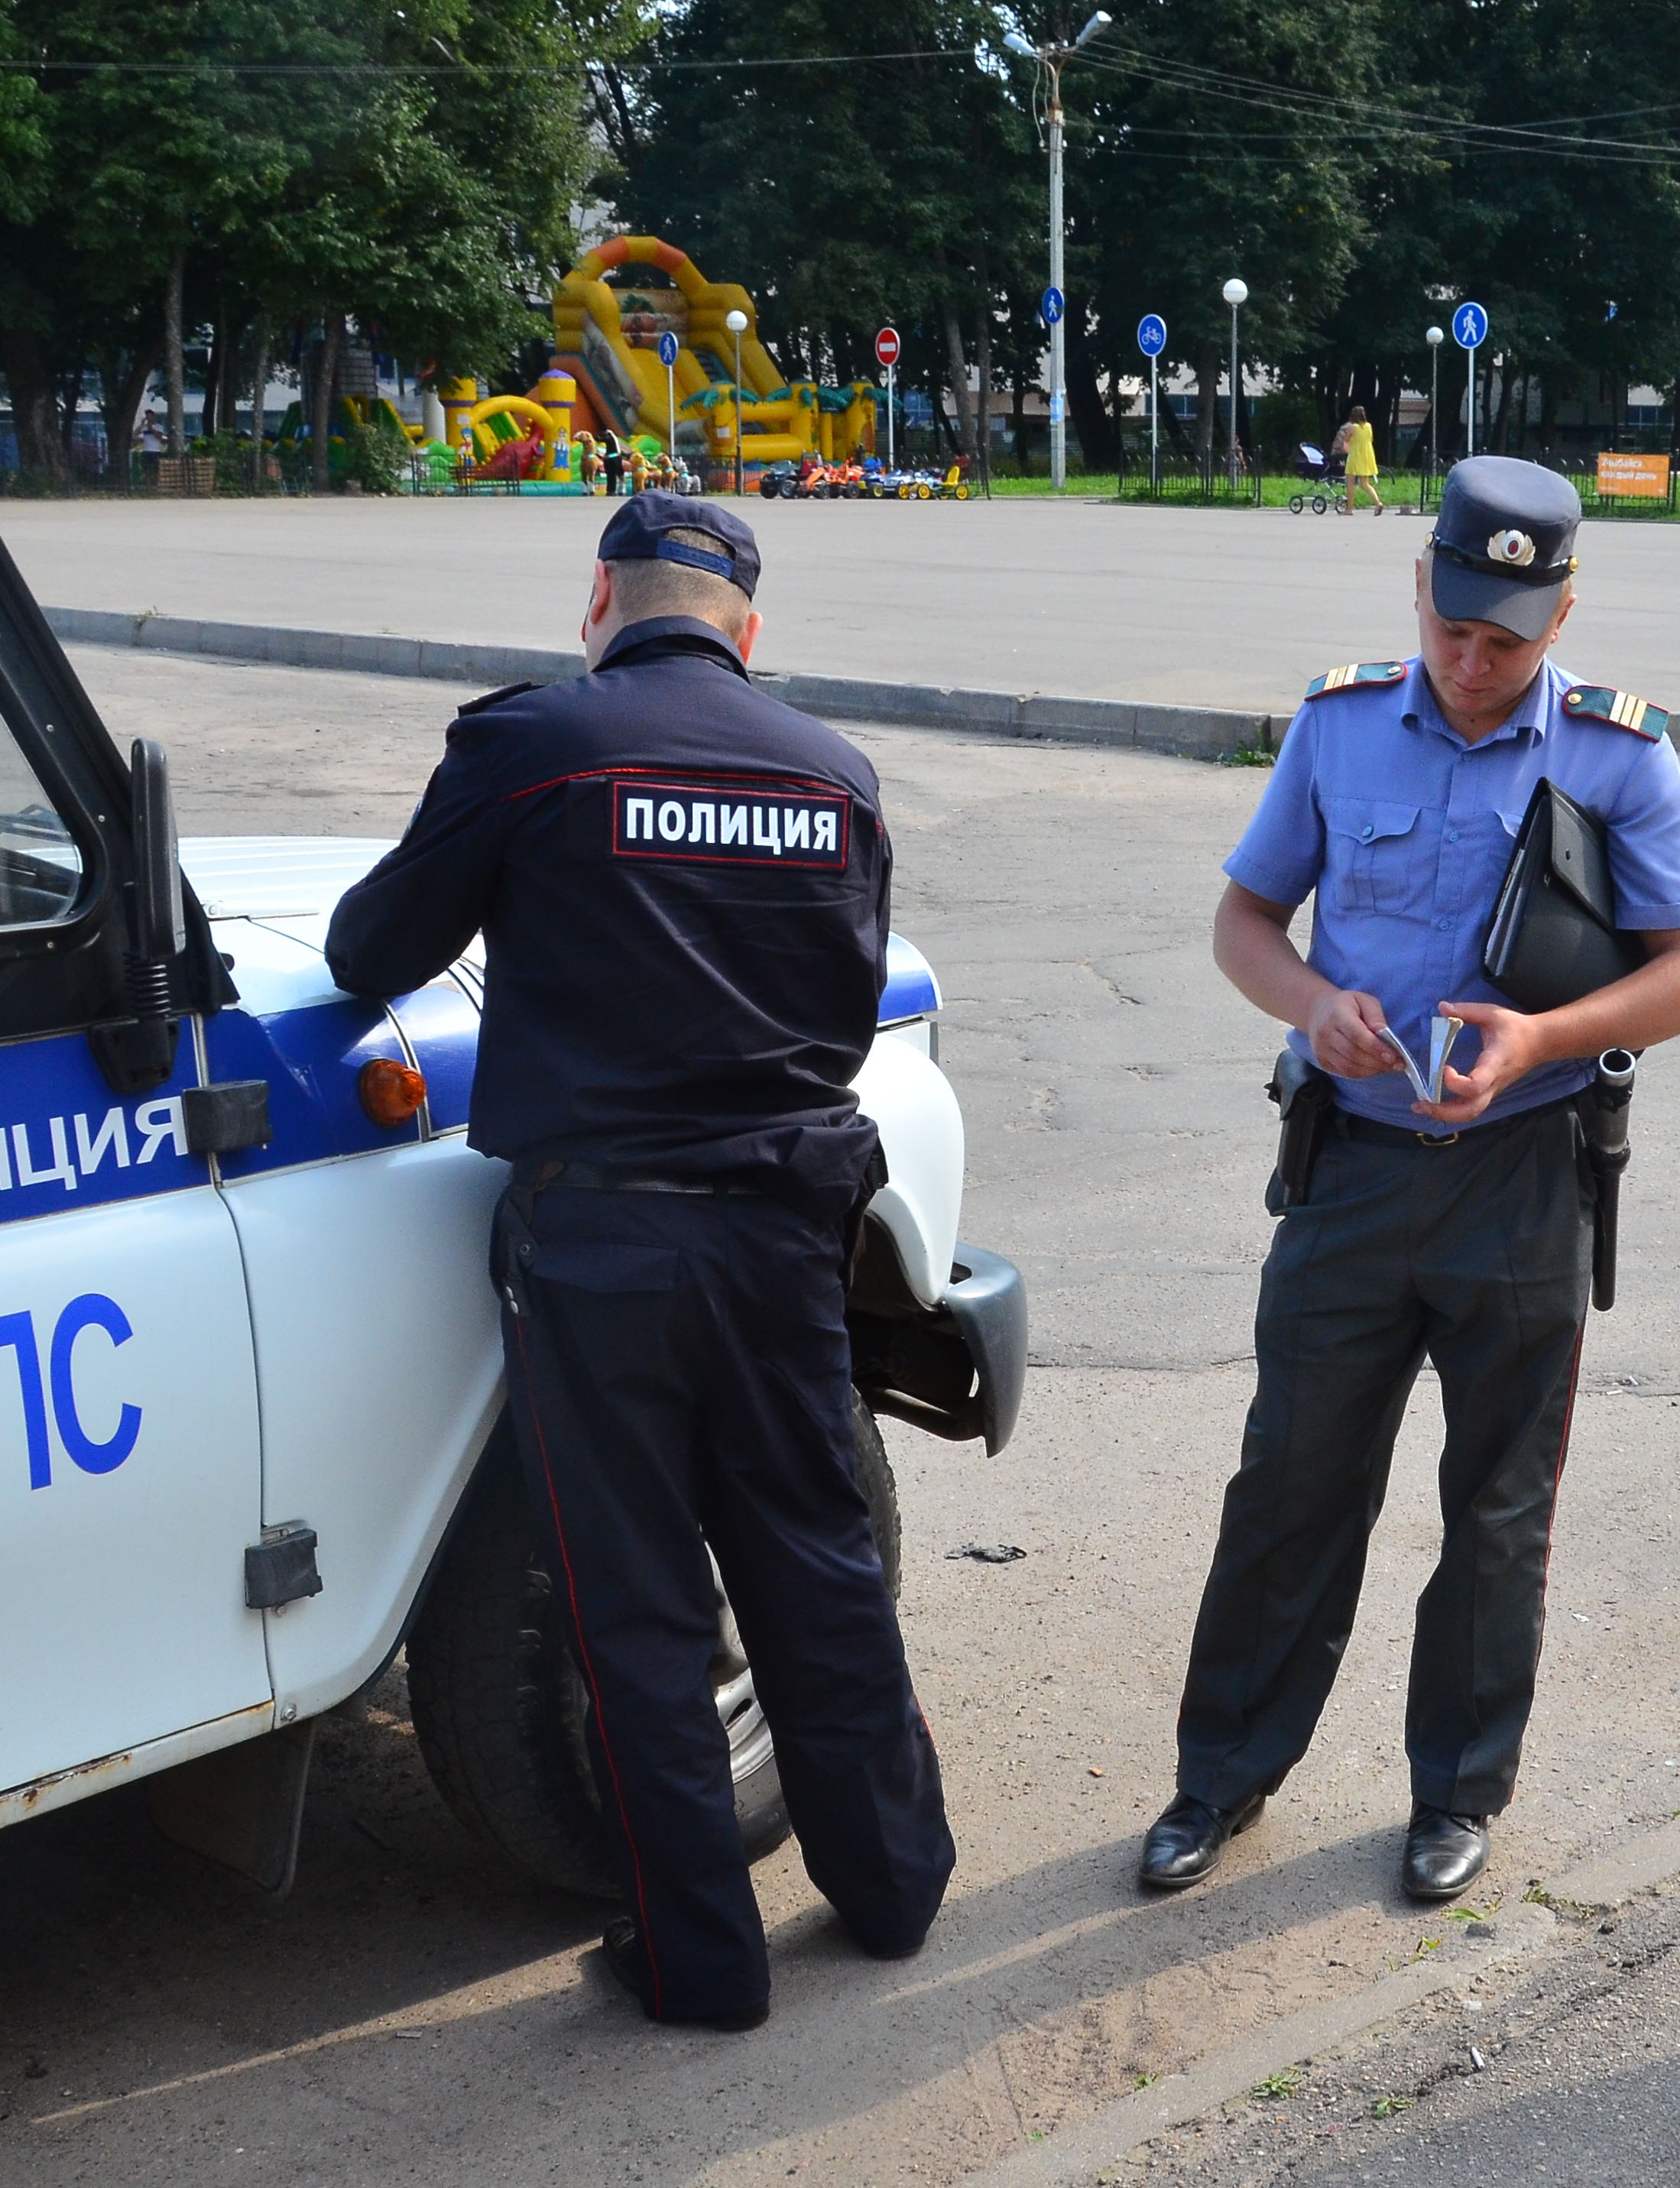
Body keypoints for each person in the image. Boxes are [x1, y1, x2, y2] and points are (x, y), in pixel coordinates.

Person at [325, 493, 954, 2031]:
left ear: (597, 601)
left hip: (606, 1237)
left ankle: (700, 1962)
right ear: (746, 629)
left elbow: (364, 953)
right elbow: (844, 995)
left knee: (639, 1602)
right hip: (787, 1237)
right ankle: (887, 1893)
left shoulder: (534, 743)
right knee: (816, 1568)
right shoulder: (834, 774)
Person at [1139, 455, 1680, 1903]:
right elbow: (1245, 918)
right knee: (1291, 1481)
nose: (1472, 664)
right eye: (1454, 626)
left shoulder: (1617, 754)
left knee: (1498, 1505)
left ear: (1564, 611)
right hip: (1350, 1169)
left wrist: (1545, 1035)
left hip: (1522, 1175)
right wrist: (1306, 1000)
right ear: (1421, 585)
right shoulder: (1343, 726)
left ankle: (1457, 1792)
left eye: (1506, 639)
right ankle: (1221, 1775)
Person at [1329, 405, 1386, 512]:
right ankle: (1378, 503)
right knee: (1365, 484)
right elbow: (1371, 439)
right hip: (1367, 456)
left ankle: (1349, 509)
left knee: (1350, 483)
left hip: (1355, 456)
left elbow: (1346, 440)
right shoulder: (1369, 426)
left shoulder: (1353, 428)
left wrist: (1346, 450)